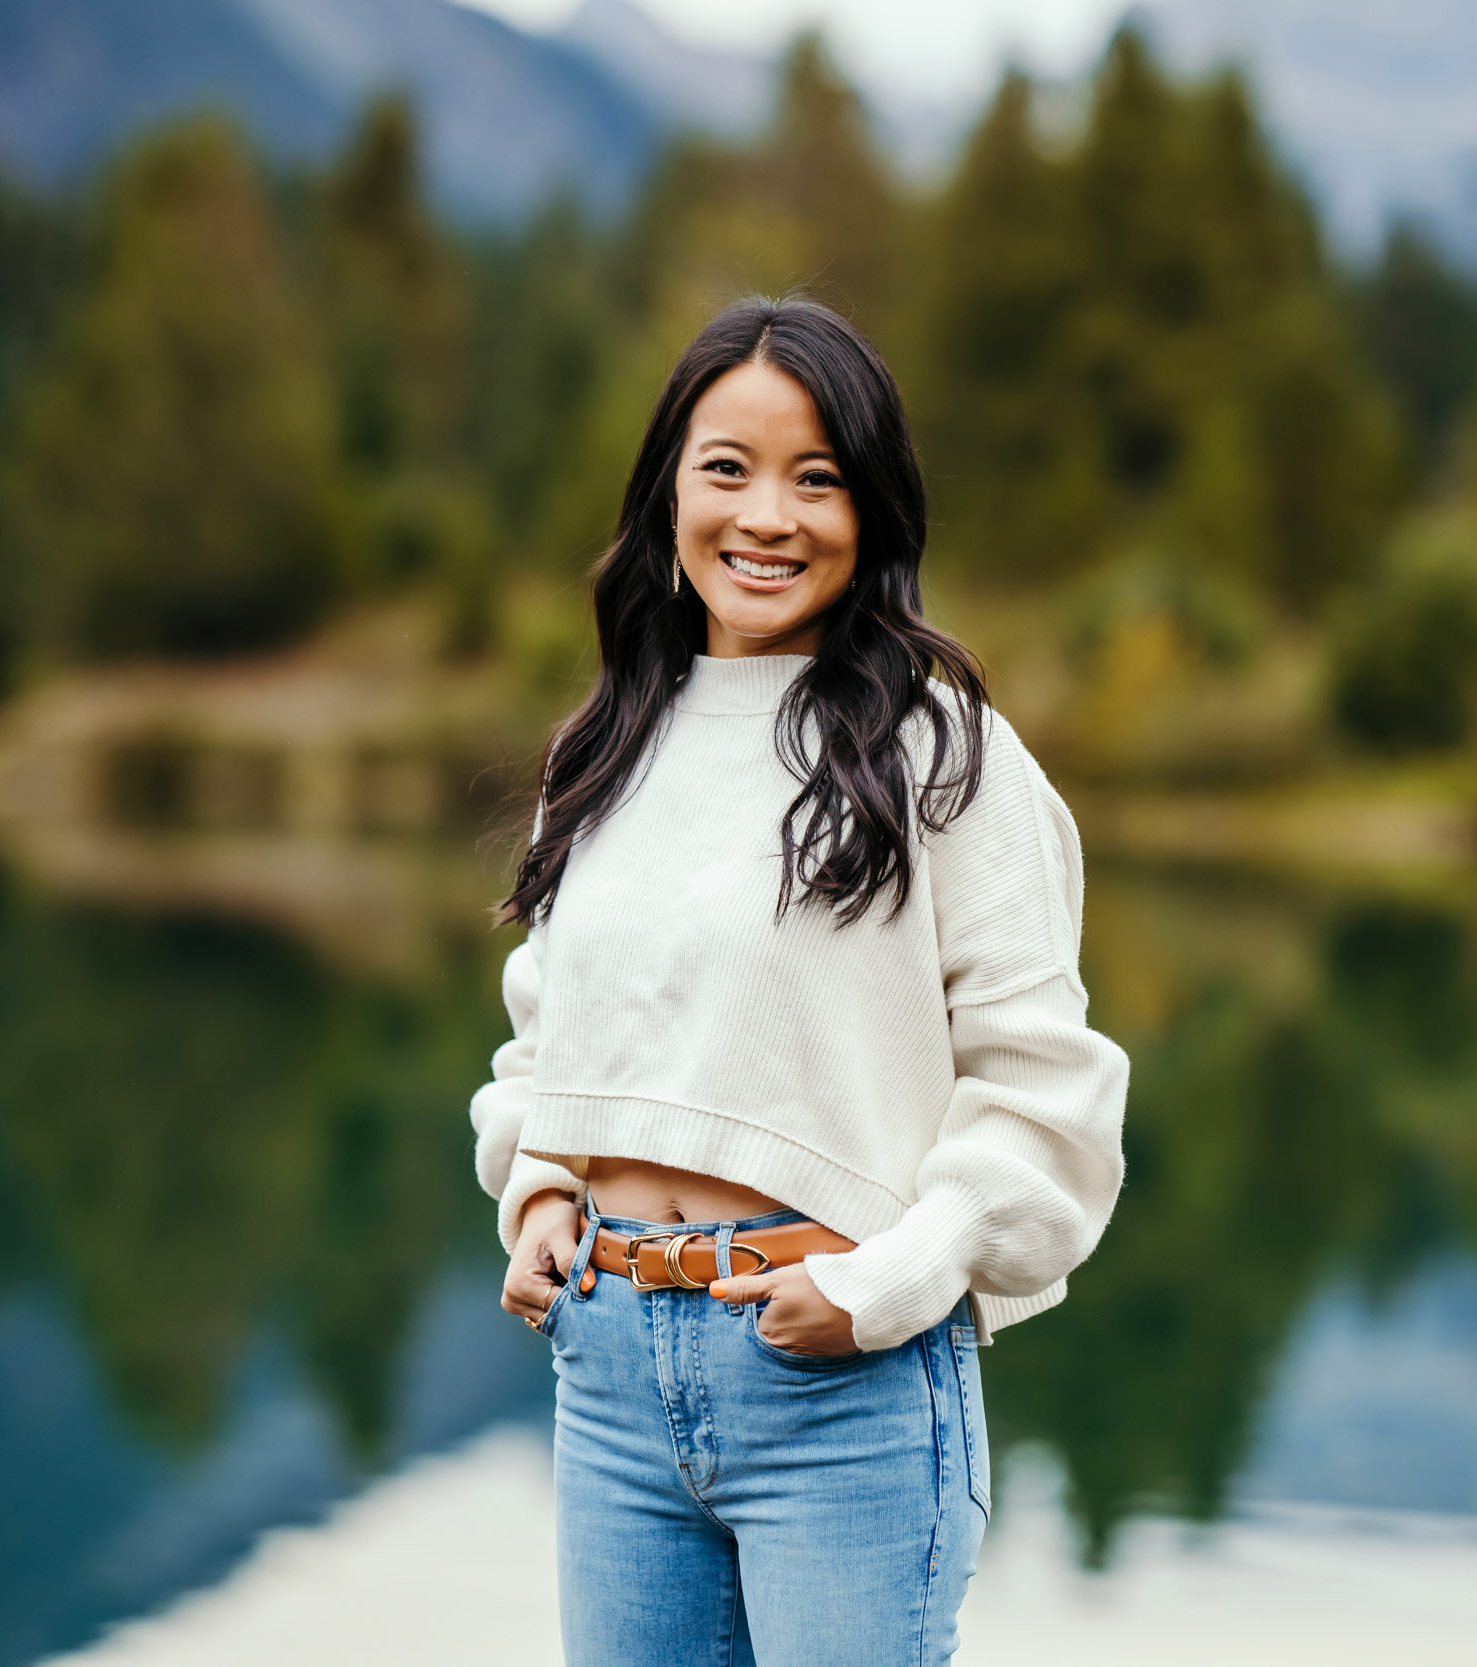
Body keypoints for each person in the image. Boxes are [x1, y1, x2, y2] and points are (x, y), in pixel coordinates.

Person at [469, 296, 1129, 1667]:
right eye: (727, 469)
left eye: (816, 478)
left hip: (840, 1381)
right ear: (666, 495)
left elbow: (1043, 1093)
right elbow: (552, 1033)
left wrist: (888, 1286)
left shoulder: (945, 754)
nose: (766, 515)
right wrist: (538, 1189)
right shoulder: (604, 747)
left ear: (872, 510)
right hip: (607, 1380)